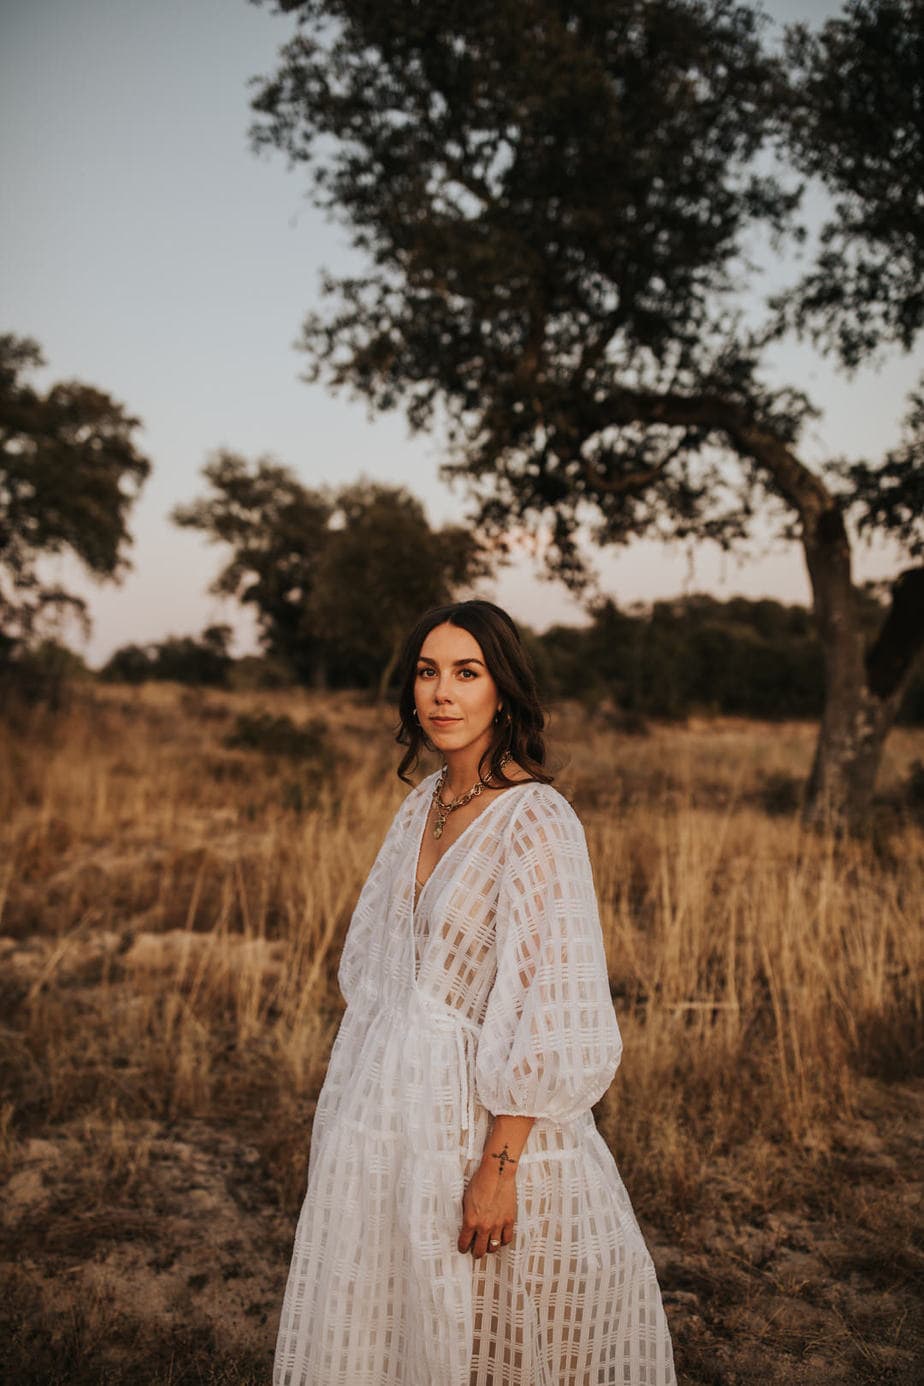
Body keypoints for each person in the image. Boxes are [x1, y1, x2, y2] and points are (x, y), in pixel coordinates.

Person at [273, 600, 676, 1386]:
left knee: (498, 1330)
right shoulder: (420, 805)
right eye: (428, 673)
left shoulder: (538, 819)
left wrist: (499, 1165)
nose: (442, 695)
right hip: (390, 1117)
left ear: (504, 691)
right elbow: (377, 978)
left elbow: (547, 1009)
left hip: (485, 1125)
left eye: (467, 673)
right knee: (390, 1321)